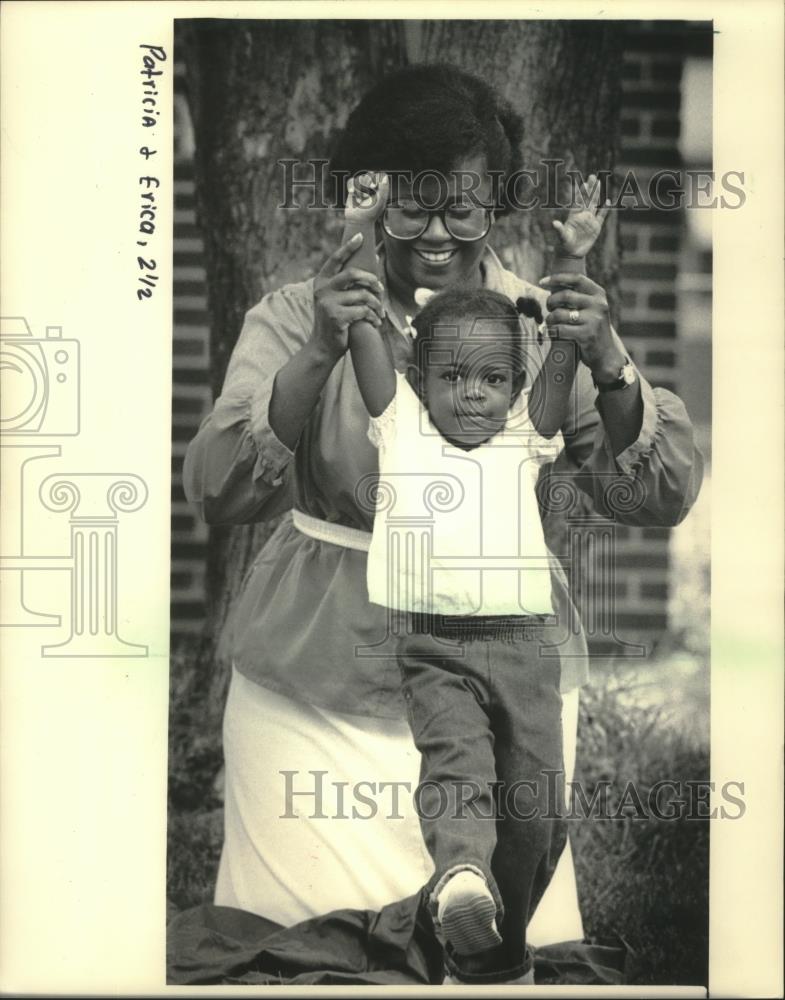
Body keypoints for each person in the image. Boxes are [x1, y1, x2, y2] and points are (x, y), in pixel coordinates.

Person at [182, 63, 703, 982]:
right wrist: (316, 352)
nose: (432, 233)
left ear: (494, 202)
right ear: (368, 194)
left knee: (498, 949)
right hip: (317, 678)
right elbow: (221, 491)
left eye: (461, 207)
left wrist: (611, 359)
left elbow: (657, 493)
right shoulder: (298, 315)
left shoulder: (541, 322)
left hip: (505, 664)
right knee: (309, 953)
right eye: (407, 205)